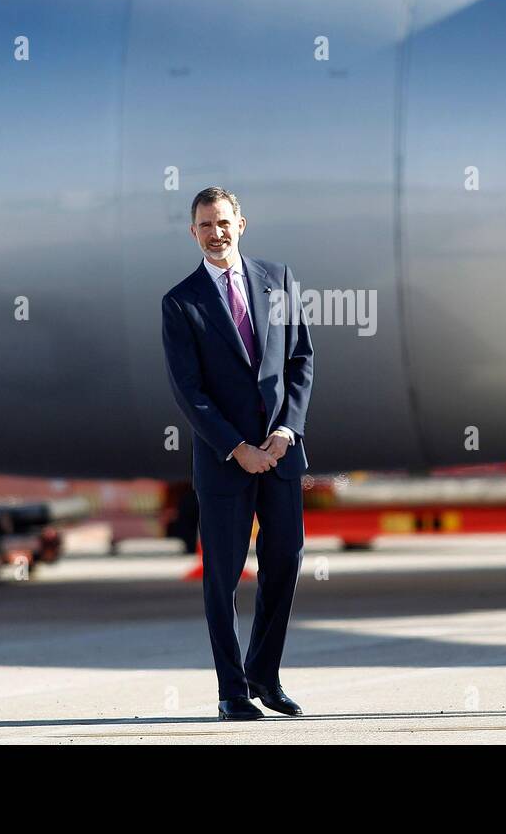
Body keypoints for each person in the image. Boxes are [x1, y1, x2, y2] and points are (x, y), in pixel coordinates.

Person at [161, 187, 314, 721]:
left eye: (223, 222)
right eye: (205, 225)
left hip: (281, 454)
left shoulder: (280, 280)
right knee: (222, 576)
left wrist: (286, 432)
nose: (216, 232)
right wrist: (236, 448)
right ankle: (232, 691)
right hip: (226, 462)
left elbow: (300, 361)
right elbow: (189, 391)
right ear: (193, 232)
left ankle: (265, 676)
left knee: (285, 562)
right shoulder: (180, 302)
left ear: (241, 224)